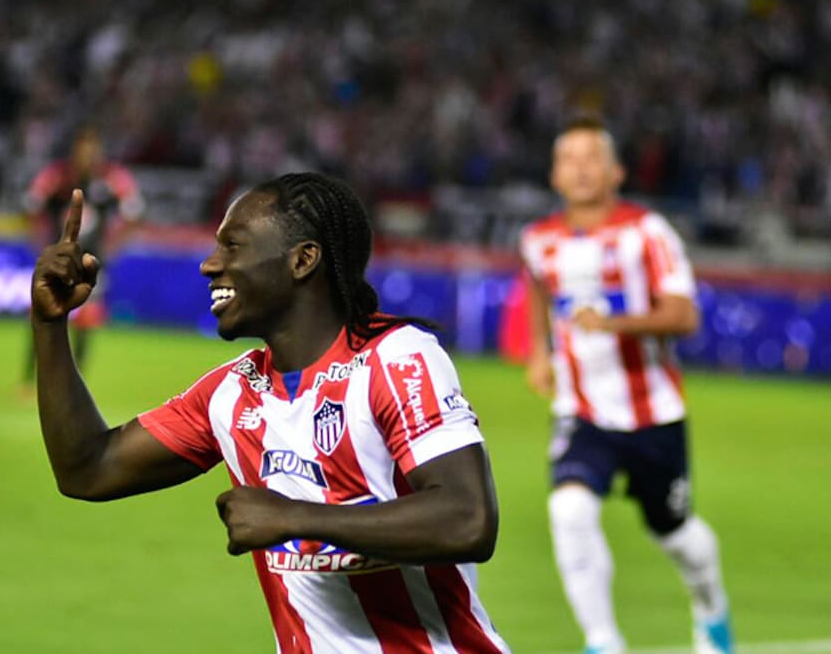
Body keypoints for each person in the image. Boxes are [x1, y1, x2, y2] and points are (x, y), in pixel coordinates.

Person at [32, 173, 509, 653]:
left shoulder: (396, 359)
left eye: (233, 245)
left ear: (302, 260)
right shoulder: (232, 392)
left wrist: (297, 518)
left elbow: (466, 518)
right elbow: (88, 470)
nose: (209, 264)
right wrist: (50, 323)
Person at [520, 118, 733, 654]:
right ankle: (603, 641)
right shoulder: (538, 240)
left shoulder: (648, 233)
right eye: (568, 159)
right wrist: (540, 351)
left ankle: (711, 610)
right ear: (554, 175)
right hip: (580, 410)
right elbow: (539, 290)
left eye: (592, 157)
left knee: (676, 534)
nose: (580, 169)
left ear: (616, 171)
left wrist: (613, 324)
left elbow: (684, 316)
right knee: (569, 510)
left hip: (652, 411)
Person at [21, 127, 142, 388]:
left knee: (86, 320)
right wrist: (39, 241)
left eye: (93, 149)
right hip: (58, 260)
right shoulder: (57, 175)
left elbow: (134, 211)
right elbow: (32, 204)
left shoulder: (112, 178)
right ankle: (30, 379)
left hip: (91, 262)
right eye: (84, 149)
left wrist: (114, 246)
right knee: (43, 315)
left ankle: (74, 383)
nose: (89, 155)